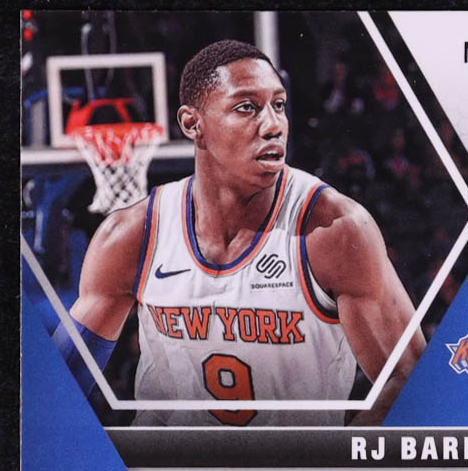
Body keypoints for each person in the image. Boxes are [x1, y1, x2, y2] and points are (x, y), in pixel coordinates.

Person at [54, 40, 425, 426]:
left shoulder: (335, 229)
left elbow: (412, 382)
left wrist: (338, 463)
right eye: (247, 107)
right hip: (169, 463)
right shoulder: (133, 234)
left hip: (288, 467)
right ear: (192, 124)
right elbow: (53, 390)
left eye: (278, 105)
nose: (273, 125)